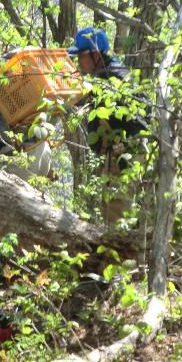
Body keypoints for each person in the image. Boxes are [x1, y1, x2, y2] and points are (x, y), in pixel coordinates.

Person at [67, 27, 147, 227]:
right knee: (112, 208)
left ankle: (120, 255)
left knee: (116, 211)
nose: (79, 62)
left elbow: (142, 116)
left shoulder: (112, 78)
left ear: (95, 54)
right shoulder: (109, 74)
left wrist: (128, 144)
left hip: (124, 155)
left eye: (82, 56)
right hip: (121, 154)